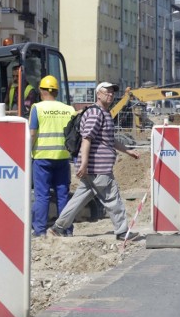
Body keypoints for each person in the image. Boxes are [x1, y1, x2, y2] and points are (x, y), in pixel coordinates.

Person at [49, 82, 140, 241]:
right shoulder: (95, 113)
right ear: (98, 94)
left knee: (78, 199)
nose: (110, 95)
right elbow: (87, 139)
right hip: (98, 167)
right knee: (112, 198)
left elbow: (109, 140)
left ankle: (57, 228)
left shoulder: (104, 113)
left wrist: (127, 151)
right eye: (107, 92)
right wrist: (83, 164)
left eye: (112, 92)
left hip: (94, 168)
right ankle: (122, 232)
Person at [29, 75, 75, 238]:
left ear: (41, 90)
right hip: (63, 158)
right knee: (63, 195)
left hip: (42, 158)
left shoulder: (38, 108)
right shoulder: (69, 109)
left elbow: (32, 133)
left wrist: (27, 152)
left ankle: (40, 230)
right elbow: (74, 135)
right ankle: (66, 230)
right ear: (56, 91)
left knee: (42, 195)